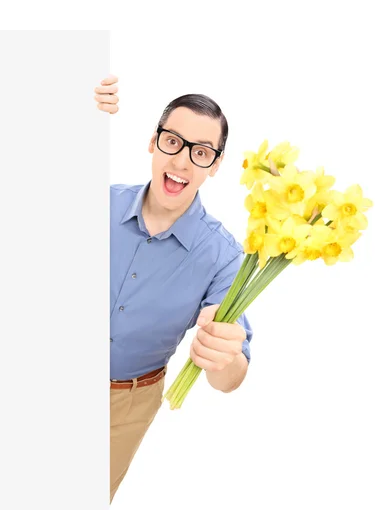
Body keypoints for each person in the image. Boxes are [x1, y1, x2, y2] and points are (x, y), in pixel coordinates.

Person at [94, 75, 253, 503]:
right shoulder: (95, 202)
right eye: (173, 142)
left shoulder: (223, 257)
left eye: (200, 152)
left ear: (215, 164)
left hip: (126, 404)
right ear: (153, 142)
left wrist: (223, 355)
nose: (182, 162)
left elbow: (229, 379)